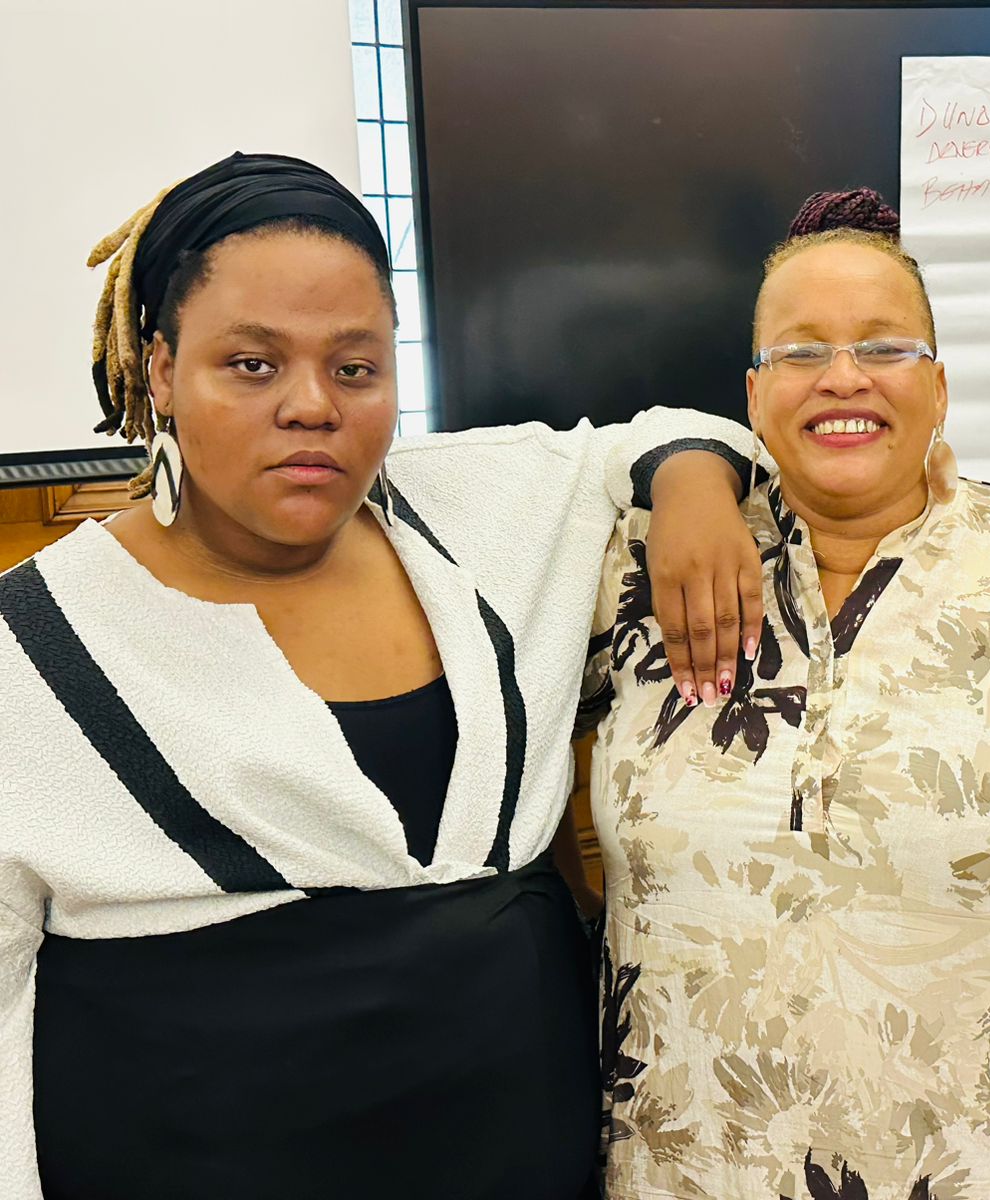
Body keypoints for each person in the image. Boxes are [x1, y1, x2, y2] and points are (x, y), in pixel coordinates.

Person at [0, 152, 764, 1199]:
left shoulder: (465, 512)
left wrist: (693, 487)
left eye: (356, 368)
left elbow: (658, 436)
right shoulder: (29, 647)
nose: (313, 405)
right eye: (253, 365)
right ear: (161, 370)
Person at [578, 190, 990, 1200]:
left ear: (939, 388)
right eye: (801, 351)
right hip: (695, 1163)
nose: (843, 376)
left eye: (883, 347)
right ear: (752, 398)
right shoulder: (640, 567)